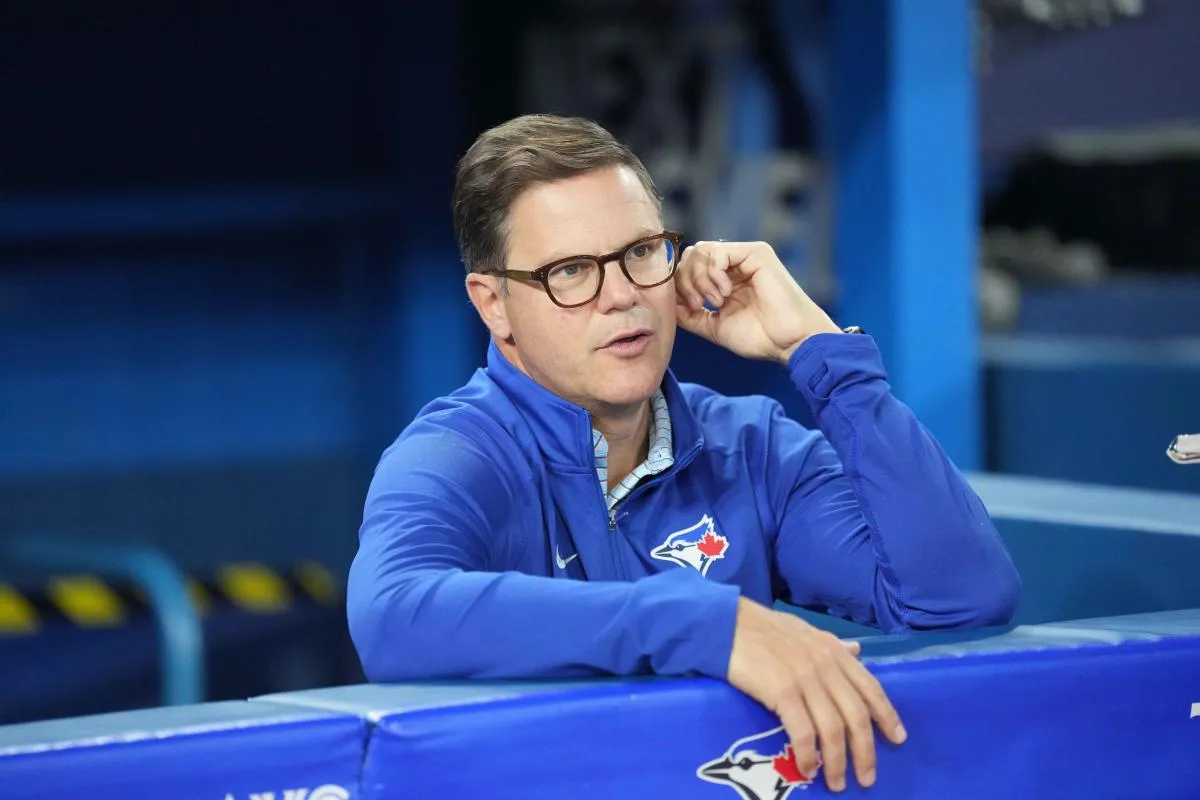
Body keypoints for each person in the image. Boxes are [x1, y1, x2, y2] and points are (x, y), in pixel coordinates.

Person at [346, 114, 1021, 793]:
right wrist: (705, 624)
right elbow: (393, 617)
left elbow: (961, 602)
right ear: (494, 303)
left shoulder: (752, 447)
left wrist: (819, 352)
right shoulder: (456, 454)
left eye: (641, 252)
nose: (621, 296)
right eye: (571, 271)